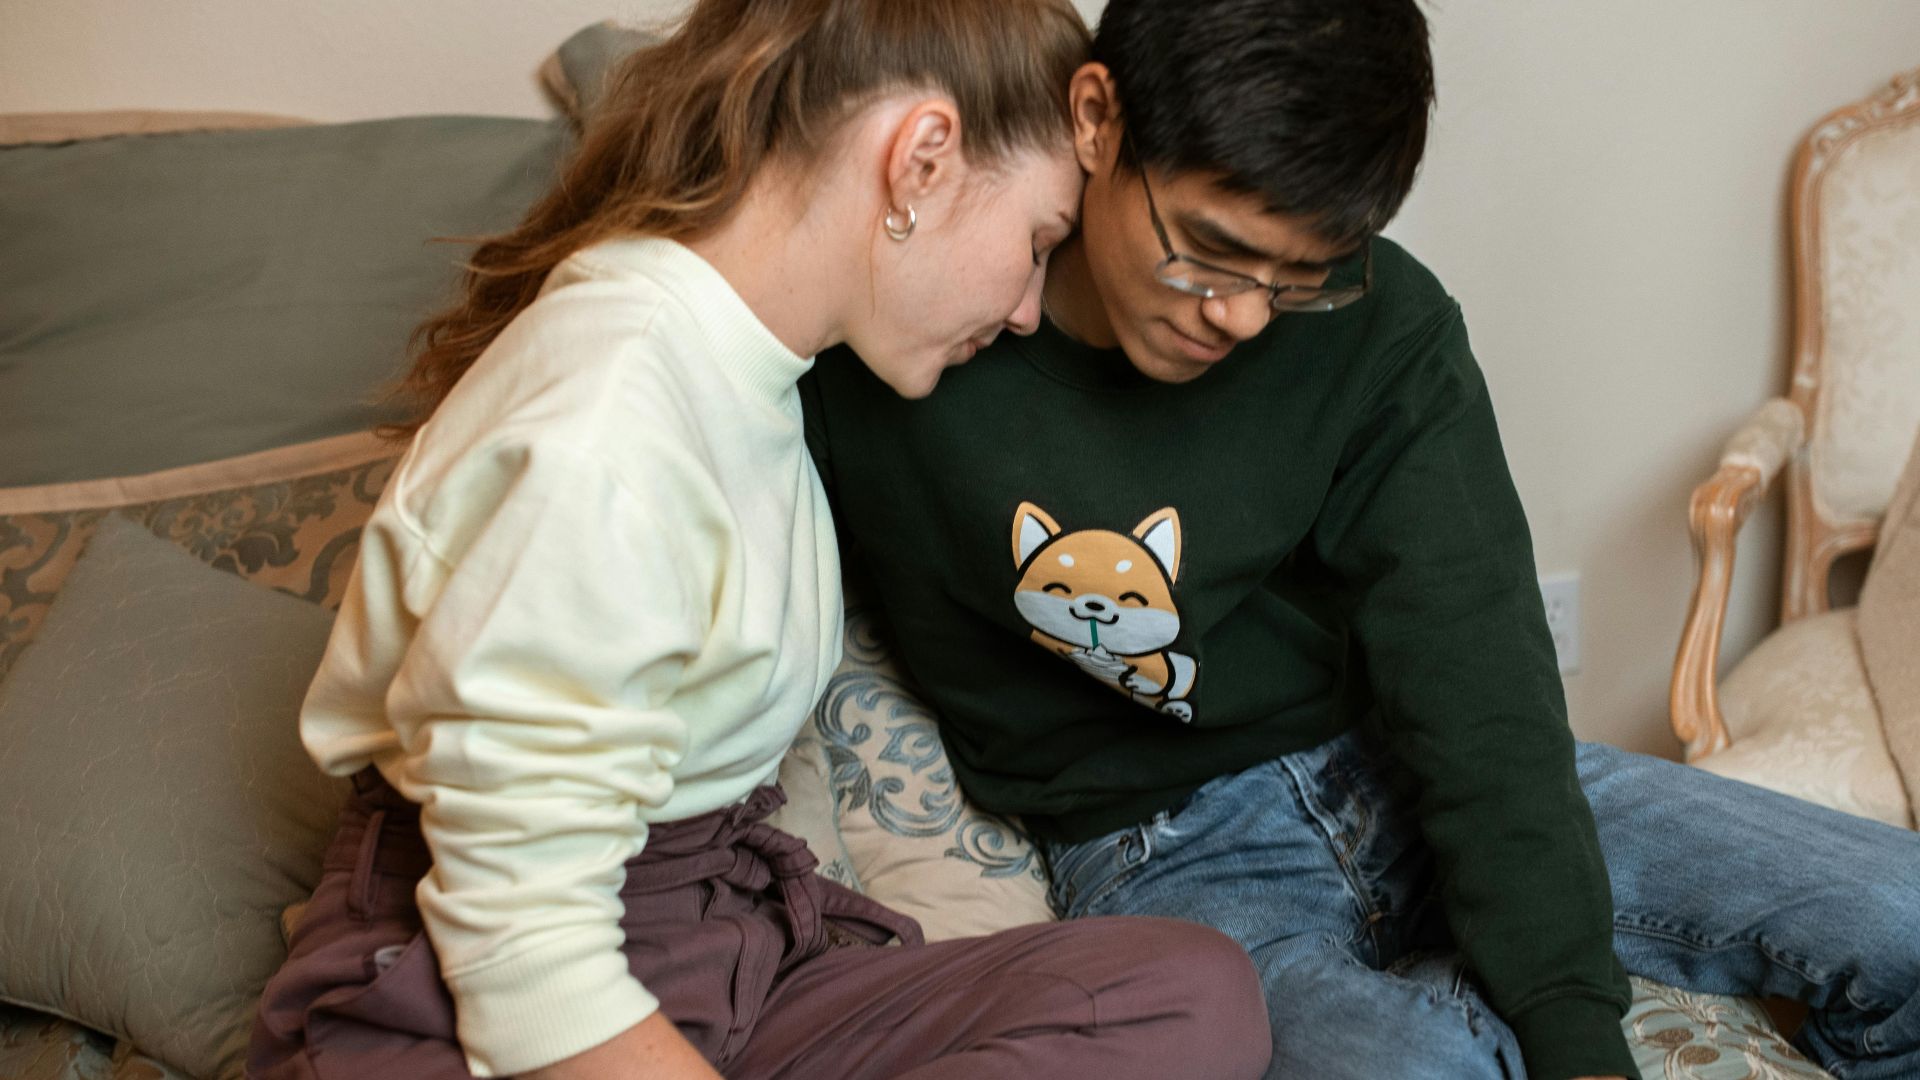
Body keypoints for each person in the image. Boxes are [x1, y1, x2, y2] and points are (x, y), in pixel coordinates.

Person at [799, 1, 1920, 1078]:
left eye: (1300, 279)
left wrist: (1573, 1029)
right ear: (1098, 119)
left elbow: (1480, 681)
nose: (1241, 315)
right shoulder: (900, 330)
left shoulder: (1387, 326)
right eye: (1210, 251)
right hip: (1166, 857)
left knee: (1904, 919)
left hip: (1391, 765)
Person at [245, 2, 1275, 1078]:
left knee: (1183, 993)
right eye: (1038, 242)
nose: (1027, 308)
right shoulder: (604, 430)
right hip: (469, 1008)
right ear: (921, 161)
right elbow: (523, 957)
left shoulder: (752, 375)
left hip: (707, 952)